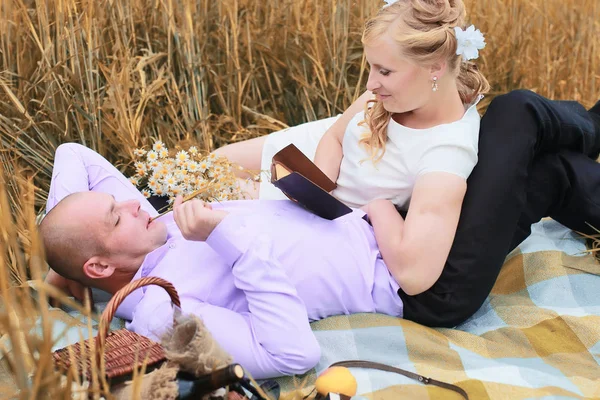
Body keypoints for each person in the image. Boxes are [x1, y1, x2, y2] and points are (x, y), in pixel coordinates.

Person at [221, 0, 492, 296]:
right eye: (371, 67)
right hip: (309, 164)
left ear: (435, 67)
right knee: (210, 163)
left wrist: (380, 209)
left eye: (385, 71)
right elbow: (336, 136)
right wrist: (315, 183)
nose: (370, 83)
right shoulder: (398, 94)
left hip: (311, 210)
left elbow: (415, 276)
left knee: (200, 191)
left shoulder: (446, 155)